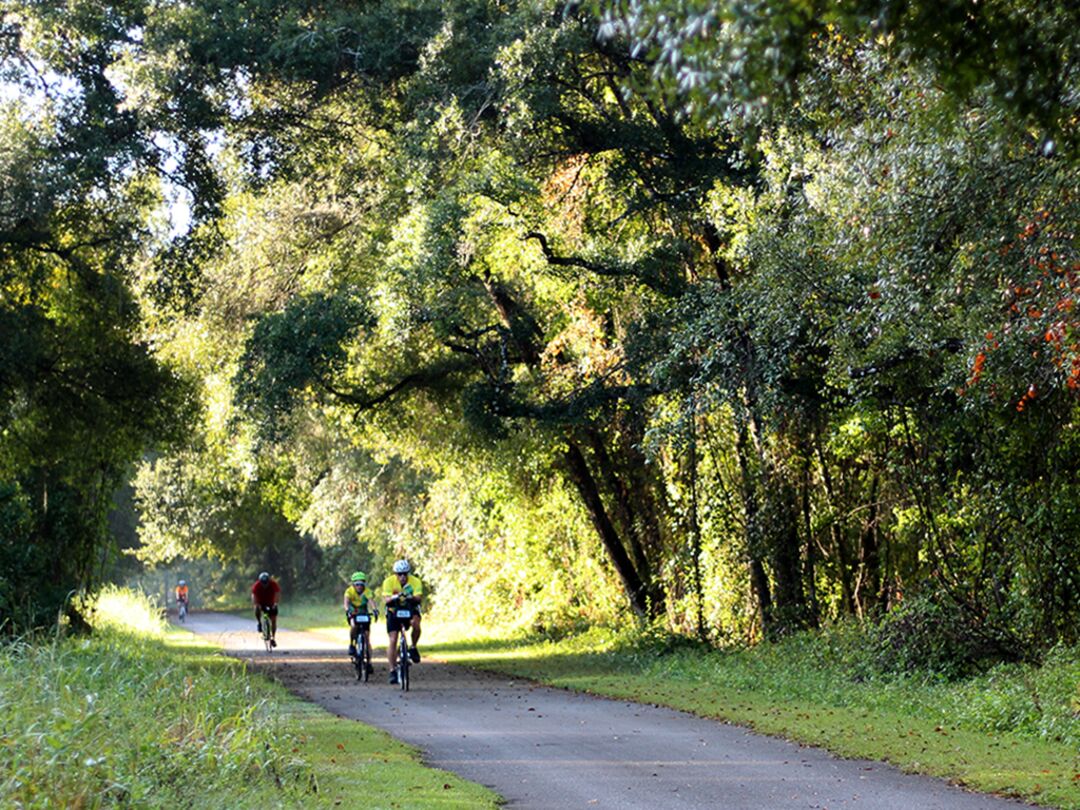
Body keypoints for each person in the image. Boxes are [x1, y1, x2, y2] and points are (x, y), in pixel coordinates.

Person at [381, 559, 423, 683]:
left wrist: (411, 597)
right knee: (393, 639)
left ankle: (413, 647)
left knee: (416, 624)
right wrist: (395, 597)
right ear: (395, 574)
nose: (403, 577)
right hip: (394, 610)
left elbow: (419, 598)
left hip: (410, 608)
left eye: (405, 574)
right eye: (400, 574)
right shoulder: (388, 582)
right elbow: (386, 599)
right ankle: (392, 670)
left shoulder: (415, 581)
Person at [343, 571, 376, 675]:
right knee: (353, 626)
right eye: (357, 584)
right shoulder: (349, 591)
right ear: (353, 584)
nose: (359, 586)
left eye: (361, 584)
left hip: (363, 613)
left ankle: (369, 662)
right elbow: (346, 603)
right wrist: (347, 610)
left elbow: (371, 601)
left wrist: (374, 609)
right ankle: (352, 644)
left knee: (367, 637)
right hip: (353, 612)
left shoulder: (367, 591)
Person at [251, 571, 280, 647]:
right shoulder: (256, 586)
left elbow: (277, 594)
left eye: (266, 583)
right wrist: (257, 604)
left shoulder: (273, 584)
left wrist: (275, 603)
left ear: (269, 581)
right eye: (263, 584)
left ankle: (273, 637)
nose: (264, 585)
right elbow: (253, 596)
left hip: (271, 603)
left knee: (273, 620)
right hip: (261, 603)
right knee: (257, 609)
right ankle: (260, 623)